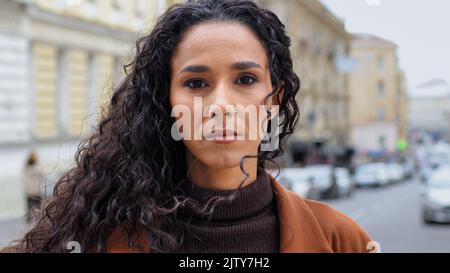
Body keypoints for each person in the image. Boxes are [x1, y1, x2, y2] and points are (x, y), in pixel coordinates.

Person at [5, 0, 373, 253]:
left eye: (245, 79)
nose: (221, 106)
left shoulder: (340, 240)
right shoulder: (92, 238)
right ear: (167, 101)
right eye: (196, 83)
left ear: (274, 99)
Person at [22, 151, 45, 224]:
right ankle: (38, 219)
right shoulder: (37, 168)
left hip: (29, 190)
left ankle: (29, 219)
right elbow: (42, 172)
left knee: (29, 207)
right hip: (36, 190)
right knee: (38, 206)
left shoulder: (27, 168)